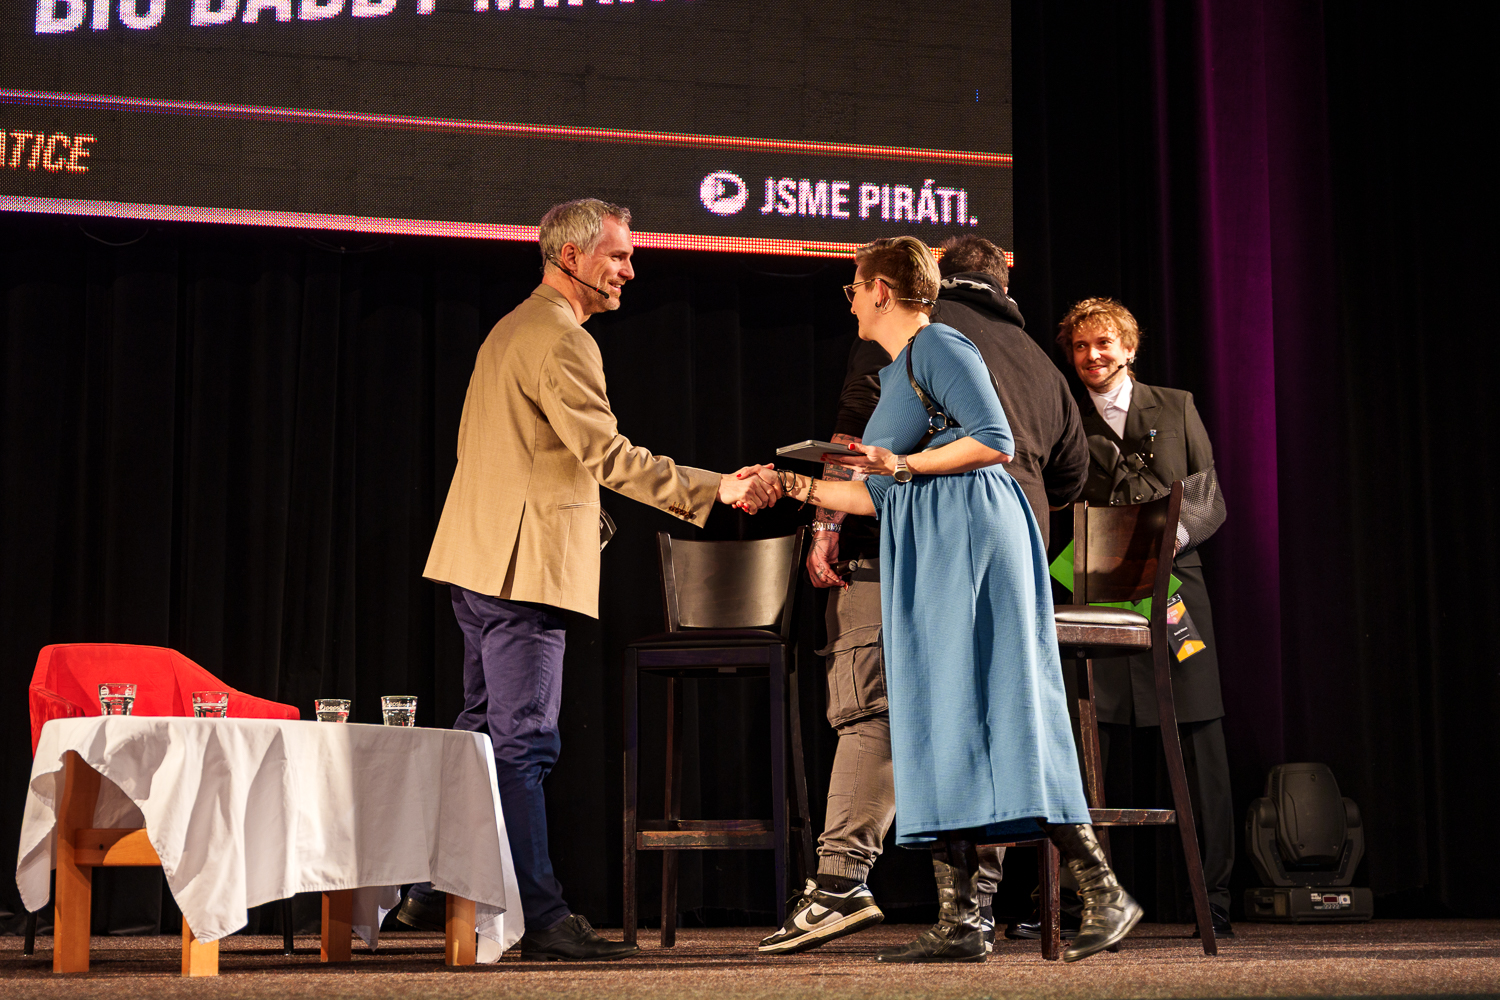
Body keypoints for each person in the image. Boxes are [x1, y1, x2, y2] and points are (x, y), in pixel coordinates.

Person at [402, 198, 781, 961]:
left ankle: (431, 886)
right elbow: (609, 456)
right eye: (618, 255)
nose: (630, 270)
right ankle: (542, 916)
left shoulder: (512, 328)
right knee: (523, 743)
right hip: (521, 572)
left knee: (481, 735)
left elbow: (524, 457)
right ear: (569, 257)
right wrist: (716, 487)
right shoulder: (561, 339)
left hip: (478, 563)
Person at [761, 236, 1138, 964]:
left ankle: (1103, 888)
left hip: (971, 539)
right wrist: (789, 486)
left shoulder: (939, 344)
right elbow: (876, 492)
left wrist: (904, 462)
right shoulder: (905, 368)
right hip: (929, 541)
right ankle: (962, 918)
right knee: (941, 718)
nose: (849, 301)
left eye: (853, 288)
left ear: (882, 290)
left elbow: (994, 440)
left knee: (998, 711)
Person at [1049, 296, 1234, 938]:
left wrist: (1159, 547)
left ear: (1128, 348)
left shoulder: (1175, 406)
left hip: (1174, 588)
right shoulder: (1065, 417)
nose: (1091, 356)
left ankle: (1213, 897)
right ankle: (1080, 899)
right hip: (1094, 591)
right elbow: (1052, 500)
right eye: (1080, 346)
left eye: (1103, 343)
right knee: (1083, 740)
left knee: (1199, 736)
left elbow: (1208, 498)